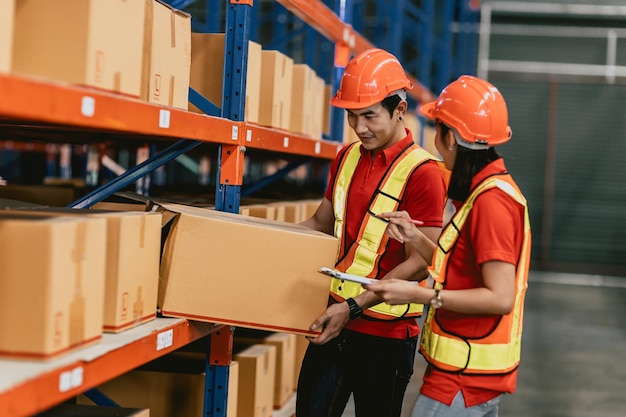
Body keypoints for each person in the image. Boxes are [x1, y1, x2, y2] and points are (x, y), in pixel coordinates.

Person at [364, 75, 531, 417]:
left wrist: (417, 294)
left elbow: (499, 297)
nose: (436, 144)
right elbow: (458, 270)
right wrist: (414, 238)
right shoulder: (482, 192)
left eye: (437, 132)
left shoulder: (492, 204)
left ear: (451, 137)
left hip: (462, 382)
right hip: (466, 379)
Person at [296, 48, 448, 417]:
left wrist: (353, 307)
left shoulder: (423, 172)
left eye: (369, 116)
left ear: (399, 110)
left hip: (387, 334)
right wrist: (263, 241)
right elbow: (321, 222)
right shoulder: (346, 156)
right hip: (334, 319)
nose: (359, 127)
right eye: (351, 115)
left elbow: (420, 261)